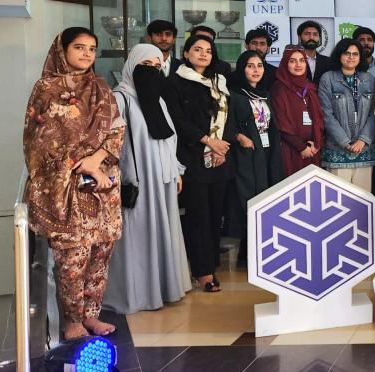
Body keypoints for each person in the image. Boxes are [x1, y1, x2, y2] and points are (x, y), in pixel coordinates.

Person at [24, 28, 125, 339]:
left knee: (100, 253)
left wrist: (96, 161)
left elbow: (117, 129)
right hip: (65, 187)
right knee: (72, 259)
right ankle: (71, 321)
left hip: (102, 184)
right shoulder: (46, 89)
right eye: (79, 47)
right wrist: (80, 164)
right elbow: (39, 142)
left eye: (92, 49)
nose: (86, 54)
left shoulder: (102, 88)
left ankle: (91, 315)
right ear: (62, 50)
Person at [104, 44, 191, 314]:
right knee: (137, 234)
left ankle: (163, 288)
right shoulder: (119, 99)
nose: (152, 72)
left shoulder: (157, 100)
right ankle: (137, 293)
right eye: (146, 66)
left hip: (162, 179)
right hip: (136, 181)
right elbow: (110, 146)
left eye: (157, 67)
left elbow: (169, 139)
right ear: (132, 66)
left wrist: (175, 169)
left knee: (161, 230)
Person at [166, 34, 236, 294]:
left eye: (208, 50)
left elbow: (228, 116)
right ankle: (202, 272)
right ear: (185, 53)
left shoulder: (219, 82)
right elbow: (178, 121)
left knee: (215, 215)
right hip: (193, 157)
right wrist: (208, 141)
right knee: (198, 216)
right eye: (197, 50)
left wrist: (221, 146)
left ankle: (211, 266)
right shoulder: (176, 82)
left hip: (220, 158)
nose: (203, 54)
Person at [227, 50, 283, 267]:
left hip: (266, 154)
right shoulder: (234, 95)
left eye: (259, 66)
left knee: (266, 196)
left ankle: (265, 249)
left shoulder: (265, 94)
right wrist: (239, 136)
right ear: (242, 69)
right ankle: (247, 253)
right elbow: (226, 124)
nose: (255, 70)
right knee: (247, 199)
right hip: (246, 155)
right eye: (250, 66)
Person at [318, 39, 375, 192]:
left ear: (360, 58)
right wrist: (345, 142)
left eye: (355, 54)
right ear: (339, 55)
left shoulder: (370, 79)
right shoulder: (328, 78)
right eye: (347, 53)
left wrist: (362, 140)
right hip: (337, 150)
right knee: (338, 200)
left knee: (363, 200)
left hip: (364, 151)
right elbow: (326, 115)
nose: (351, 57)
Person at [271, 45, 325, 176]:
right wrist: (301, 147)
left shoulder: (310, 87)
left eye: (302, 60)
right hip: (291, 150)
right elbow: (281, 123)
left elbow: (319, 118)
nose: (298, 65)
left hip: (312, 149)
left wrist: (317, 144)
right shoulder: (278, 89)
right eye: (292, 61)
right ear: (285, 63)